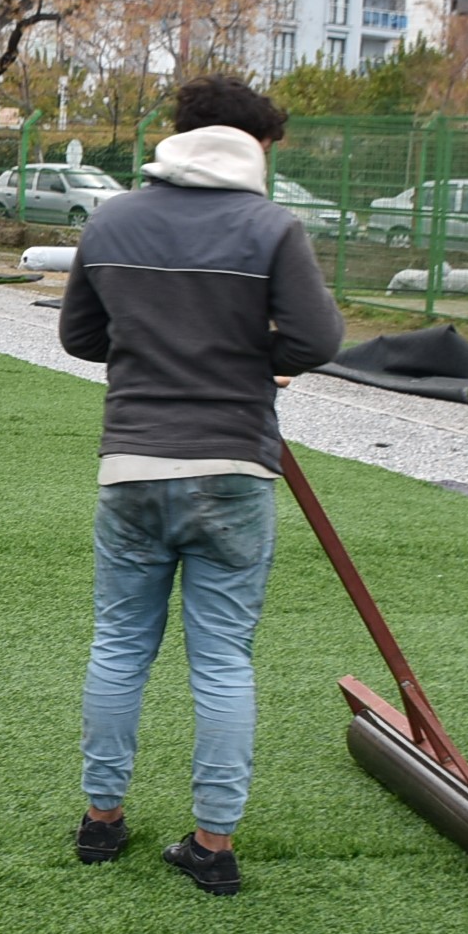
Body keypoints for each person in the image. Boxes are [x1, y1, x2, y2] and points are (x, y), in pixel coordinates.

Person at [57, 76, 343, 893]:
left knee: (119, 647)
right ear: (259, 147)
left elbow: (81, 336)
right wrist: (254, 359)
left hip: (134, 467)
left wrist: (154, 345)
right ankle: (213, 844)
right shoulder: (271, 228)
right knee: (221, 661)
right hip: (235, 467)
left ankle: (102, 821)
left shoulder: (111, 219)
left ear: (178, 133)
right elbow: (318, 339)